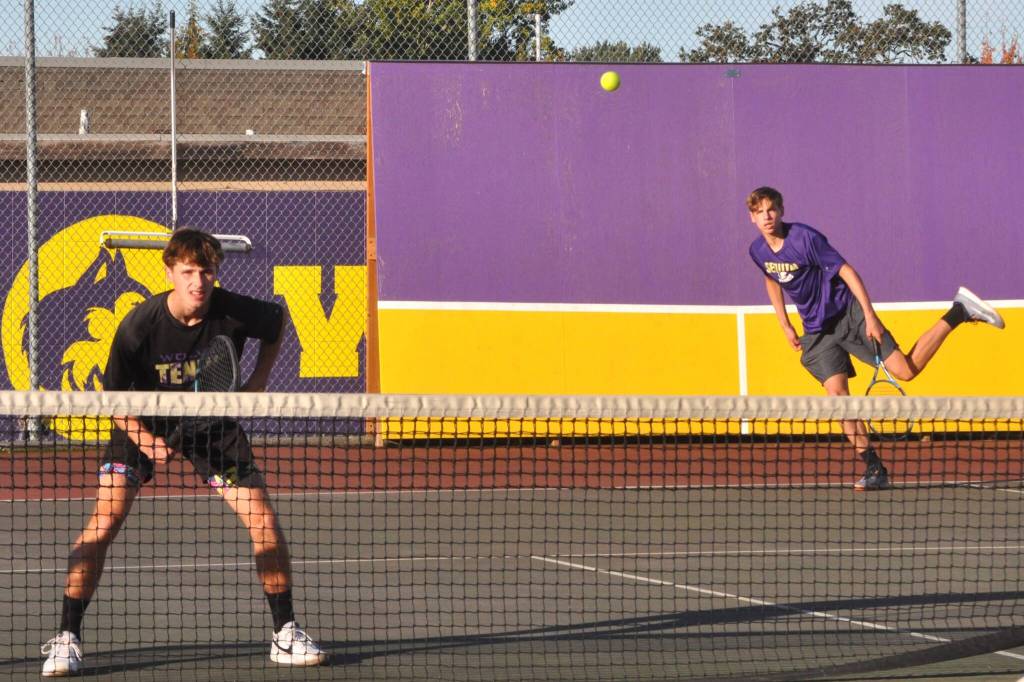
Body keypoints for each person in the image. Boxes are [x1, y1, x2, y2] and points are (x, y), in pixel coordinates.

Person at [41, 229, 326, 676]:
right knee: (104, 522)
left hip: (211, 425)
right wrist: (146, 441)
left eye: (206, 271)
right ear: (170, 273)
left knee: (263, 521)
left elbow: (277, 322)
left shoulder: (232, 310)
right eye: (188, 271)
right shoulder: (139, 325)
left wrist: (259, 380)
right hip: (140, 423)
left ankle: (285, 633)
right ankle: (67, 637)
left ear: (216, 272)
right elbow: (112, 398)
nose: (198, 281)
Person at [746, 186, 1004, 491]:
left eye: (771, 209)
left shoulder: (805, 238)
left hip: (849, 315)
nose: (767, 216)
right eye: (760, 212)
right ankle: (874, 467)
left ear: (781, 211)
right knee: (837, 399)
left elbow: (847, 272)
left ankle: (959, 312)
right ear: (752, 217)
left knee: (906, 370)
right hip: (816, 332)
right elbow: (771, 278)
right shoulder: (758, 251)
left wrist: (868, 316)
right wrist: (784, 324)